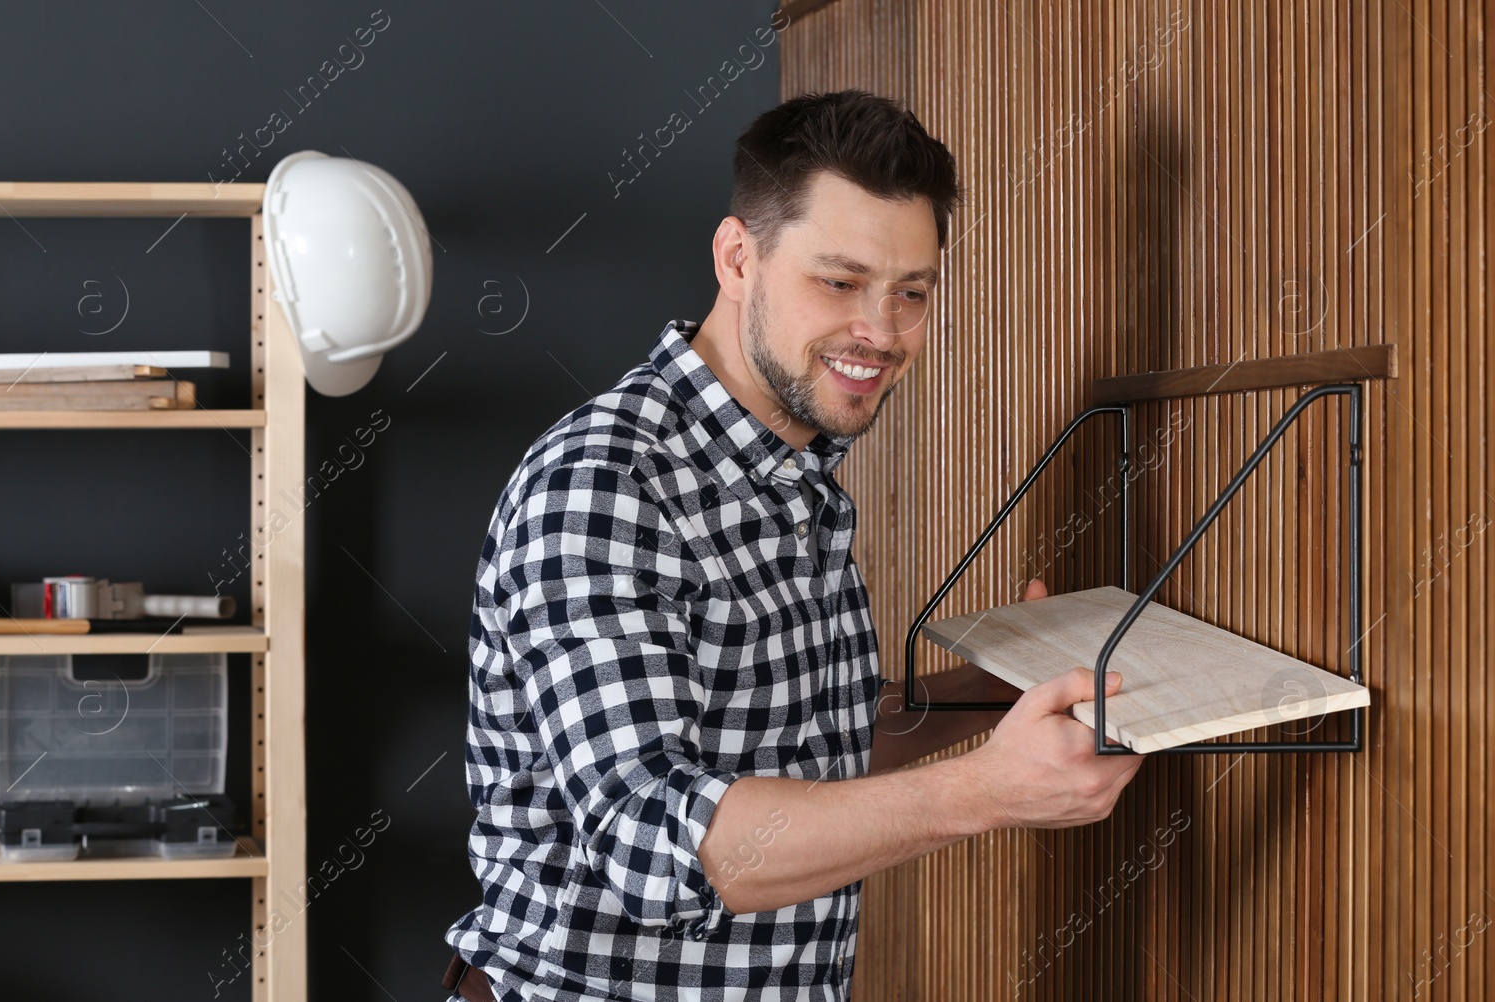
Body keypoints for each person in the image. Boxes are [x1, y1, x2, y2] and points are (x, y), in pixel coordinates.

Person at [442, 88, 1146, 1002]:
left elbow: (804, 750)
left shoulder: (795, 468)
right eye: (839, 281)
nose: (880, 333)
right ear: (739, 258)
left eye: (912, 293)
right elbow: (656, 842)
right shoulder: (606, 485)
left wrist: (990, 698)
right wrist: (984, 791)